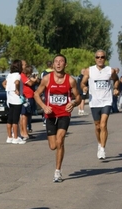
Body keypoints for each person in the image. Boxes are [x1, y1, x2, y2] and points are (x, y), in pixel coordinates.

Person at [34, 54, 81, 182]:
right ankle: (58, 167)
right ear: (53, 65)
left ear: (65, 65)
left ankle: (57, 171)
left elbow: (78, 97)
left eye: (61, 61)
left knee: (60, 141)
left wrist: (73, 103)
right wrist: (44, 107)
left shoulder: (70, 80)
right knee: (53, 146)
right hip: (50, 114)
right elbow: (36, 94)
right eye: (56, 61)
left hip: (64, 114)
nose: (59, 63)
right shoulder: (47, 79)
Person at [80, 50, 120, 160]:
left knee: (103, 125)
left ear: (105, 58)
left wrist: (116, 88)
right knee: (97, 126)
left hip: (107, 101)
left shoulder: (110, 71)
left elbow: (116, 80)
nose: (100, 59)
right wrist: (84, 87)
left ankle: (102, 148)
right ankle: (99, 143)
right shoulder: (90, 71)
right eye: (98, 57)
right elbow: (83, 82)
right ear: (95, 58)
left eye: (102, 57)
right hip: (94, 102)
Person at [2, 59, 26, 144]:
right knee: (15, 120)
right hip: (17, 100)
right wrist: (16, 90)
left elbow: (3, 83)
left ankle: (9, 137)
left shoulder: (9, 75)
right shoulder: (18, 75)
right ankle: (16, 138)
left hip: (10, 99)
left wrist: (8, 90)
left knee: (10, 119)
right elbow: (17, 82)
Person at [20, 65, 39, 139]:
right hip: (26, 97)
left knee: (28, 115)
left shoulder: (26, 76)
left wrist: (35, 79)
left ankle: (26, 131)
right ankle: (24, 132)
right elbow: (30, 83)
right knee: (24, 115)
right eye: (29, 73)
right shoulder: (23, 76)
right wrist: (33, 80)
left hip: (30, 97)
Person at [40, 61, 54, 126]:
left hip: (45, 90)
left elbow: (41, 82)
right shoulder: (54, 72)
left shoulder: (43, 72)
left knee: (46, 104)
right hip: (53, 90)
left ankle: (45, 119)